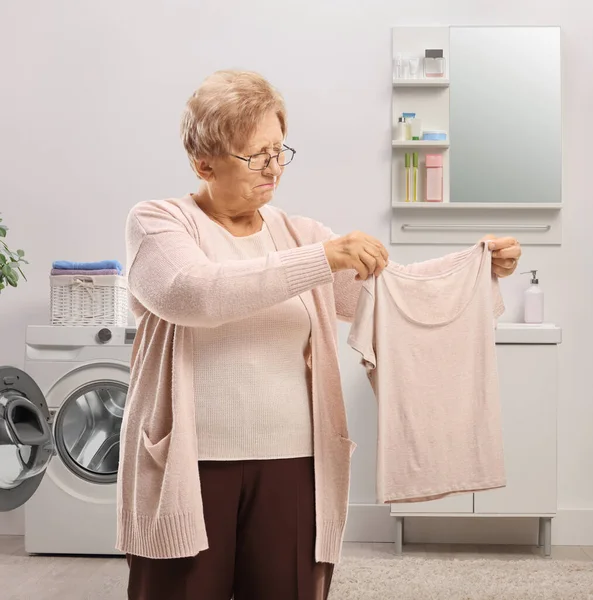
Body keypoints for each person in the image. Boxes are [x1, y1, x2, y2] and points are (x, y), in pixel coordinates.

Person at [117, 70, 522, 600]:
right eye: (254, 155)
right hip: (186, 465)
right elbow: (195, 293)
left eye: (279, 150)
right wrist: (319, 260)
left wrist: (476, 267)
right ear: (203, 163)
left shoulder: (299, 235)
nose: (273, 168)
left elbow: (386, 295)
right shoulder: (159, 223)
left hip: (293, 461)